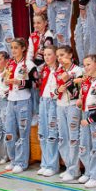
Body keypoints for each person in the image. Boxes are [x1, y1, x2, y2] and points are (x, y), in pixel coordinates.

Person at [4, 38, 37, 173]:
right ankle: (13, 159)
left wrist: (20, 83)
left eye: (16, 47)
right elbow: (6, 79)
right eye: (12, 48)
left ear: (23, 49)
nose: (13, 50)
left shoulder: (29, 64)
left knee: (23, 132)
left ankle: (22, 162)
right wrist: (7, 83)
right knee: (9, 131)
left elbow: (36, 83)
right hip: (11, 100)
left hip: (24, 100)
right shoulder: (10, 64)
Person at [77, 54, 96, 188]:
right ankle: (88, 171)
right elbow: (83, 97)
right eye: (84, 65)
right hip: (85, 114)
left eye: (88, 64)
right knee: (84, 145)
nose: (86, 67)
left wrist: (90, 120)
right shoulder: (86, 81)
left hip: (95, 118)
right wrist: (80, 101)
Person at [55, 45, 83, 182]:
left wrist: (67, 80)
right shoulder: (58, 70)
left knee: (73, 138)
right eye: (58, 56)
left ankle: (74, 169)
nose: (60, 58)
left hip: (73, 106)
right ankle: (68, 167)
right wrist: (58, 90)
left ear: (71, 55)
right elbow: (55, 91)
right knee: (62, 138)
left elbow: (77, 93)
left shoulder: (78, 71)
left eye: (62, 55)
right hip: (60, 105)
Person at [36, 45, 59, 177]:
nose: (46, 57)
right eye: (45, 55)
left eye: (49, 54)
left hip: (53, 102)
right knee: (42, 132)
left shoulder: (59, 70)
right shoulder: (45, 69)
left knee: (52, 133)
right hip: (43, 101)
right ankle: (45, 163)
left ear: (56, 55)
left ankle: (52, 165)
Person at [27, 13, 54, 127]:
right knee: (31, 81)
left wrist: (37, 69)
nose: (36, 25)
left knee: (38, 83)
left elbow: (47, 55)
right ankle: (35, 112)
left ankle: (40, 112)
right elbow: (30, 53)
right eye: (34, 23)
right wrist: (29, 66)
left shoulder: (49, 36)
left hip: (46, 65)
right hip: (35, 66)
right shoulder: (32, 36)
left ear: (45, 23)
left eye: (39, 23)